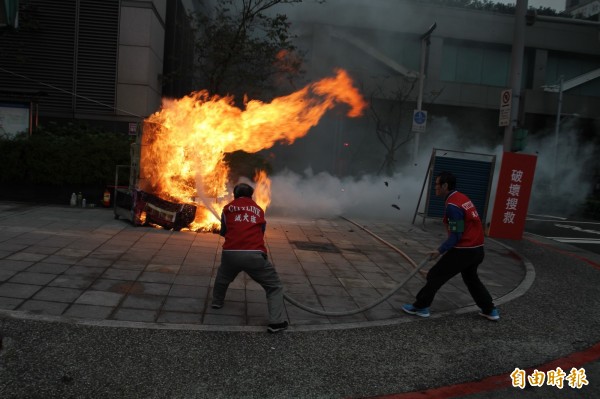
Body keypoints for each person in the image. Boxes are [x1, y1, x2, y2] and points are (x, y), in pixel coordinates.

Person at [402, 171, 500, 321]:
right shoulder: (461, 198)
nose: (434, 187)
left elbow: (456, 235)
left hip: (464, 251)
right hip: (477, 250)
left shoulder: (453, 206)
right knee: (471, 279)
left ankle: (421, 306)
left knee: (435, 275)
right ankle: (490, 310)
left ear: (445, 186)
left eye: (436, 184)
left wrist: (439, 251)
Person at [211, 183, 289, 333]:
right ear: (251, 196)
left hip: (231, 253)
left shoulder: (227, 208)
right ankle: (276, 323)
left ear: (234, 195)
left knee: (223, 276)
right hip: (254, 254)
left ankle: (217, 302)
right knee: (274, 286)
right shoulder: (259, 210)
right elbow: (261, 230)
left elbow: (224, 231)